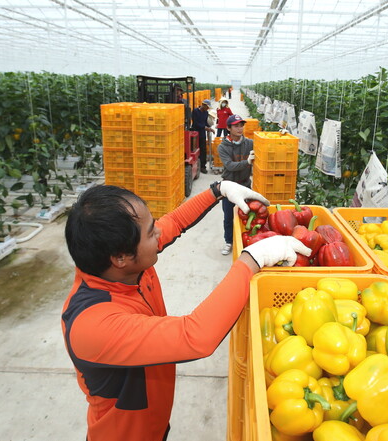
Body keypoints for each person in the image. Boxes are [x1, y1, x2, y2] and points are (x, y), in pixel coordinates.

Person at [62, 182, 310, 441]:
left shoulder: (124, 265)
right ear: (120, 257)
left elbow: (175, 222)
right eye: (151, 233)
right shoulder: (91, 324)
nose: (159, 233)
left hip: (155, 422)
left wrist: (218, 190)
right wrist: (251, 260)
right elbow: (195, 336)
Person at [218, 114, 255, 255]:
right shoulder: (223, 147)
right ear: (228, 128)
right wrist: (247, 162)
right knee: (229, 216)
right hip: (229, 187)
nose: (240, 129)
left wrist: (281, 134)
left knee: (247, 214)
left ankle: (245, 241)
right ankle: (229, 241)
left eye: (241, 125)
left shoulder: (249, 143)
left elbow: (266, 144)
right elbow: (229, 165)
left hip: (245, 185)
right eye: (236, 126)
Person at [190, 99, 215, 174]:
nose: (207, 109)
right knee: (195, 149)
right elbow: (196, 123)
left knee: (203, 149)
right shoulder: (195, 111)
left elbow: (205, 123)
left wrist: (209, 128)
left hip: (202, 134)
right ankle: (195, 164)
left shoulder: (206, 113)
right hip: (195, 133)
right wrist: (204, 127)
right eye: (207, 107)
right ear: (203, 105)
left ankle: (202, 166)